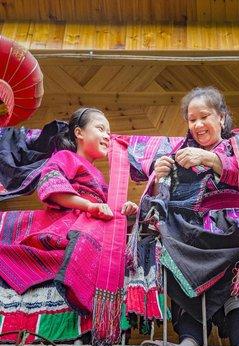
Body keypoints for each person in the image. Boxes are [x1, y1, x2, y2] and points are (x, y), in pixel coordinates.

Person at [125, 87, 239, 346]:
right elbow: (162, 202)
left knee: (235, 285)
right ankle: (189, 342)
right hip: (188, 232)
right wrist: (159, 179)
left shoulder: (238, 146)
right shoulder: (179, 154)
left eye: (204, 116)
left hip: (230, 230)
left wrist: (210, 158)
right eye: (192, 120)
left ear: (222, 118)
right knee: (182, 275)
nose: (198, 124)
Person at [0, 107, 138, 313]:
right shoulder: (66, 157)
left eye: (109, 132)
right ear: (79, 133)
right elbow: (51, 187)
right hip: (70, 225)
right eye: (101, 128)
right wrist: (89, 206)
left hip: (91, 227)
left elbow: (110, 208)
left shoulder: (100, 178)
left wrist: (128, 209)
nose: (107, 136)